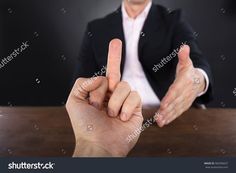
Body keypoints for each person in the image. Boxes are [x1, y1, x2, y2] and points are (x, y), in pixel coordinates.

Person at [75, 0, 213, 128]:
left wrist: (196, 79)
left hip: (163, 118)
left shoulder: (174, 20)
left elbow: (195, 58)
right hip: (112, 118)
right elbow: (81, 82)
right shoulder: (96, 28)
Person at [66, 39, 143, 157]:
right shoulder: (95, 28)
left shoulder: (170, 24)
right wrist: (97, 145)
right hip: (111, 107)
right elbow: (81, 73)